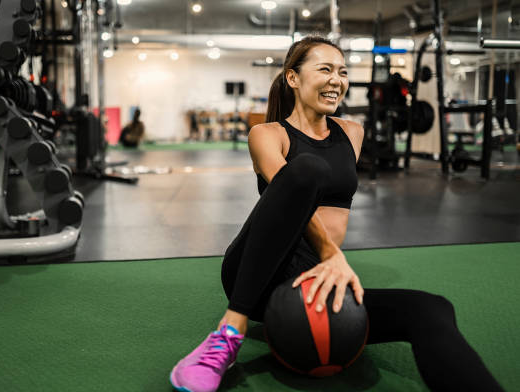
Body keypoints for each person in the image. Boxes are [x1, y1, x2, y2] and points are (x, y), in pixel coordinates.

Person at [169, 36, 503, 392]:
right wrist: (333, 252)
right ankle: (229, 332)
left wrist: (328, 260)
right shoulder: (266, 134)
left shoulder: (352, 133)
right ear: (293, 78)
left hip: (316, 278)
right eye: (325, 69)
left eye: (343, 72)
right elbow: (292, 188)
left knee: (430, 308)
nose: (337, 80)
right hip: (257, 273)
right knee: (306, 170)